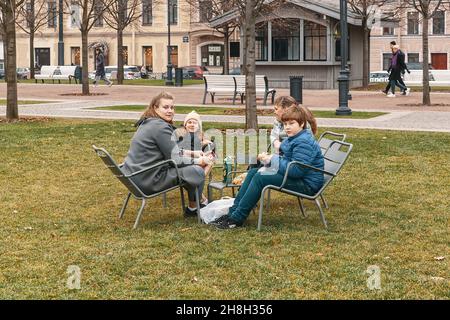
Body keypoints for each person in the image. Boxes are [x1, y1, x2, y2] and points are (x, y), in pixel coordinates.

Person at [210, 105, 324, 229]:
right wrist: (269, 159)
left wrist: (272, 159)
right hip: (298, 177)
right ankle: (232, 213)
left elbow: (296, 171)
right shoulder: (294, 137)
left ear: (302, 124)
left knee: (260, 177)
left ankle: (237, 218)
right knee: (254, 172)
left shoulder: (303, 141)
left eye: (292, 123)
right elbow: (288, 161)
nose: (287, 127)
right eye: (285, 124)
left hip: (307, 184)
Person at [121, 92, 211, 217]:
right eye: (165, 107)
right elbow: (175, 158)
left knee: (190, 169)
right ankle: (194, 207)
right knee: (196, 171)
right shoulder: (160, 127)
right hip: (148, 180)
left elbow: (171, 151)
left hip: (134, 175)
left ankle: (197, 203)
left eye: (172, 107)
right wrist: (198, 161)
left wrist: (193, 153)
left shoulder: (148, 122)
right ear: (155, 108)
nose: (170, 111)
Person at [174, 111, 216, 204]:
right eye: (189, 122)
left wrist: (207, 144)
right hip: (184, 162)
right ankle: (200, 195)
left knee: (210, 159)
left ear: (198, 125)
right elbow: (179, 152)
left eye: (194, 123)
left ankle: (198, 183)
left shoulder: (200, 135)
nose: (192, 125)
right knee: (206, 162)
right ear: (185, 124)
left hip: (197, 162)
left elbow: (204, 151)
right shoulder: (181, 135)